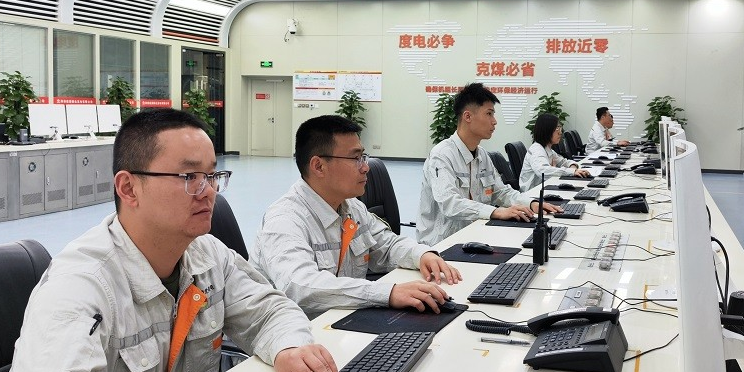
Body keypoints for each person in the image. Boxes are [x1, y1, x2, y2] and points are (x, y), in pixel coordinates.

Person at [0, 109, 343, 372]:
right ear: (129, 188)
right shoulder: (82, 283)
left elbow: (269, 310)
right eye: (188, 177)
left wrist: (289, 347)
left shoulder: (207, 254)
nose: (208, 190)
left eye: (212, 175)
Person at [254, 115, 461, 319]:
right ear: (318, 166)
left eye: (363, 157)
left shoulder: (351, 207)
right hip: (296, 332)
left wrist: (422, 255)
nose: (365, 167)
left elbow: (387, 245)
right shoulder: (284, 220)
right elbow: (301, 287)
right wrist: (387, 293)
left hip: (342, 318)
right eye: (355, 159)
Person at [417, 83, 559, 246]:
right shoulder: (442, 155)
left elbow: (501, 192)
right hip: (443, 244)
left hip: (476, 236)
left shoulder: (482, 155)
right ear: (468, 116)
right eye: (489, 114)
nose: (494, 121)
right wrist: (496, 212)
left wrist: (531, 203)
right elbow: (450, 203)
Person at [520, 112, 592, 191]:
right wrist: (571, 172)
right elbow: (543, 171)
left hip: (545, 188)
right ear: (546, 130)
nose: (560, 132)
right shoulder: (537, 149)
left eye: (560, 128)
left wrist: (573, 167)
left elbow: (563, 162)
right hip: (533, 193)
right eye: (557, 128)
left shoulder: (547, 149)